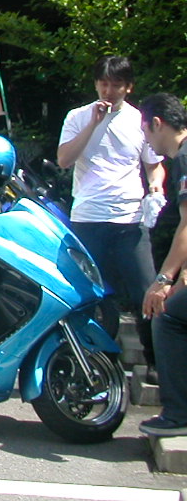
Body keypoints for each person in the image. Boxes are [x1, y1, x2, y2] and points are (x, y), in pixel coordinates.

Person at [57, 55, 163, 362]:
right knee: (91, 294)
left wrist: (156, 187)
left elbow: (154, 165)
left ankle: (154, 359)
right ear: (95, 84)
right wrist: (93, 123)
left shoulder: (139, 120)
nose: (108, 91)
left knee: (145, 288)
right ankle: (96, 360)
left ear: (128, 87)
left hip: (130, 219)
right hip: (88, 218)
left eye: (116, 85)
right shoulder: (78, 117)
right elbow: (64, 159)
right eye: (103, 84)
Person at [140, 93, 187, 436]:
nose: (147, 140)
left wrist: (163, 279)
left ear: (158, 124)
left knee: (166, 317)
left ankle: (178, 414)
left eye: (146, 131)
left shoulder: (184, 158)